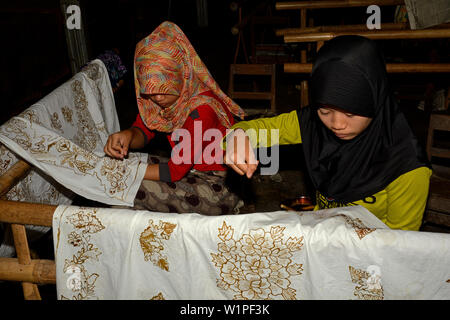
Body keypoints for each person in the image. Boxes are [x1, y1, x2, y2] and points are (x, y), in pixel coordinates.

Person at [224, 35, 432, 231]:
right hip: (324, 234)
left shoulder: (407, 167)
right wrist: (238, 135)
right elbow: (256, 129)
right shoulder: (311, 122)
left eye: (351, 113)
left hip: (370, 256)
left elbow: (400, 246)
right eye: (325, 111)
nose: (336, 124)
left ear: (375, 101)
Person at [104, 21, 245, 215]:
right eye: (150, 91)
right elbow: (144, 131)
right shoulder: (159, 98)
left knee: (128, 188)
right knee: (120, 167)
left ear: (182, 74)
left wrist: (128, 173)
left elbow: (174, 171)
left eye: (164, 89)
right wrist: (128, 135)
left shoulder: (202, 111)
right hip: (189, 171)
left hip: (217, 187)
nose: (158, 97)